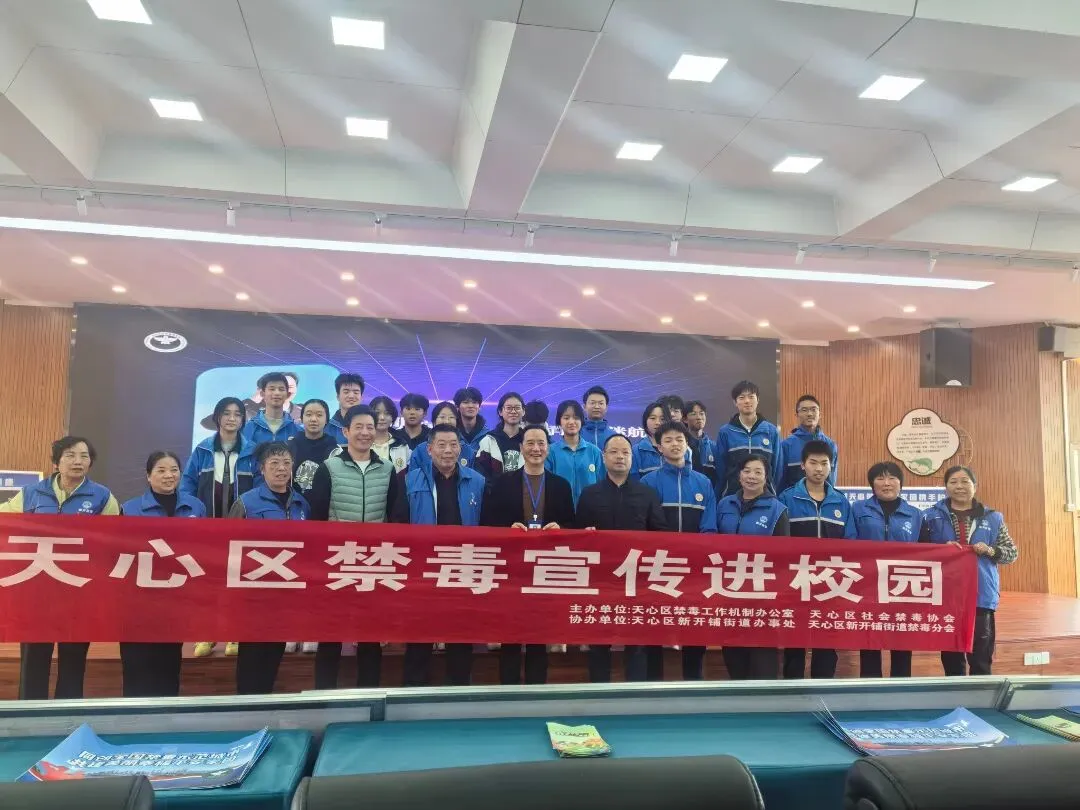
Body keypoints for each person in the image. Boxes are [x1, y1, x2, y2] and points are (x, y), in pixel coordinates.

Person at [1, 436, 120, 700]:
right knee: (33, 658)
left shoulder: (103, 497)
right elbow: (5, 518)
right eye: (70, 455)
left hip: (79, 591)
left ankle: (68, 713)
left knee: (73, 659)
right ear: (56, 462)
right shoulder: (32, 493)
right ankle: (30, 713)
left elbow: (115, 540)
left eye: (84, 456)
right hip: (36, 590)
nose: (78, 461)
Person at [307, 404, 400, 689]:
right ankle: (324, 695)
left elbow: (395, 517)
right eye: (358, 427)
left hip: (374, 562)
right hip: (338, 561)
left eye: (370, 427)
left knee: (370, 636)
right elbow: (317, 517)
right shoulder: (329, 468)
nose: (365, 432)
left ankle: (369, 695)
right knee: (331, 635)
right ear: (346, 431)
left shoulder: (387, 469)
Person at [391, 424, 486, 686]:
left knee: (460, 637)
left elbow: (486, 527)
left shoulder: (477, 481)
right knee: (419, 636)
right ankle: (413, 692)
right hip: (422, 569)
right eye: (441, 445)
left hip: (462, 568)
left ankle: (458, 691)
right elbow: (398, 523)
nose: (448, 450)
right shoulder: (410, 480)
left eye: (453, 445)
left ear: (461, 449)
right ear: (429, 449)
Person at [481, 423, 575, 684]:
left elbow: (571, 522)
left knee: (538, 633)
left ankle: (536, 689)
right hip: (512, 568)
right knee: (510, 633)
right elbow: (487, 522)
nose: (536, 448)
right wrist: (507, 529)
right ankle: (508, 690)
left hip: (545, 569)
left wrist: (561, 528)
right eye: (530, 443)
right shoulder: (503, 483)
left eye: (541, 443)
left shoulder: (560, 485)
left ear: (548, 448)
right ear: (521, 448)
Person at [577, 434, 668, 682]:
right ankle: (598, 692)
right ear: (603, 457)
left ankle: (635, 694)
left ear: (632, 458)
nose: (620, 457)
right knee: (599, 642)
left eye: (625, 452)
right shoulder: (589, 494)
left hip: (636, 580)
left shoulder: (647, 494)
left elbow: (661, 535)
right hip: (600, 580)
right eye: (614, 452)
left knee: (636, 641)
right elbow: (577, 534)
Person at [119, 451, 206, 697]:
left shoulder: (196, 507)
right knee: (137, 664)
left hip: (176, 598)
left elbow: (205, 549)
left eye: (174, 470)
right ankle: (134, 714)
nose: (169, 475)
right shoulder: (130, 509)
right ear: (148, 476)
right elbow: (120, 553)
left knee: (168, 665)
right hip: (139, 600)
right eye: (161, 470)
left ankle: (166, 712)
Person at [229, 442, 310, 694]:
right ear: (262, 469)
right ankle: (246, 707)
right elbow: (228, 546)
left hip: (285, 595)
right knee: (251, 658)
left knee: (274, 654)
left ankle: (265, 703)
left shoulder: (301, 504)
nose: (281, 469)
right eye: (274, 463)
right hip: (253, 595)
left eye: (286, 463)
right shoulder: (246, 503)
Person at [921, 466, 1018, 676]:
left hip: (981, 595)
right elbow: (919, 552)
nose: (959, 486)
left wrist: (990, 550)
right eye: (953, 482)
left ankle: (980, 696)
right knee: (951, 658)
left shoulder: (993, 518)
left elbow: (1011, 553)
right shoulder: (930, 516)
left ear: (975, 486)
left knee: (981, 657)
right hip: (945, 594)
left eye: (965, 481)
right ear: (945, 487)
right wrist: (941, 549)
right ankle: (955, 694)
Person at [640, 421, 718, 680]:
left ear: (687, 445)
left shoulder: (703, 482)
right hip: (660, 567)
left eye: (679, 440)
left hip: (695, 568)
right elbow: (648, 525)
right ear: (659, 447)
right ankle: (652, 684)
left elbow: (709, 526)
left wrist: (697, 554)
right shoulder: (649, 481)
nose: (675, 444)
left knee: (694, 626)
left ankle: (694, 684)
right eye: (669, 440)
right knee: (655, 626)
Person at [183, 396, 255, 659]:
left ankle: (235, 634)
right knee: (208, 583)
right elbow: (187, 485)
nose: (232, 418)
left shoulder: (252, 451)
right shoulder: (202, 450)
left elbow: (259, 489)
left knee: (238, 582)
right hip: (208, 529)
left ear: (243, 420)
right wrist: (192, 516)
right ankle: (207, 633)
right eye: (227, 413)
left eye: (237, 414)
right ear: (217, 417)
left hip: (241, 529)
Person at [778, 440, 854, 679]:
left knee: (826, 641)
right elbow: (779, 542)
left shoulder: (841, 501)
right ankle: (792, 689)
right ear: (803, 465)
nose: (819, 469)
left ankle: (823, 687)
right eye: (813, 463)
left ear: (831, 466)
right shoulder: (787, 498)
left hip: (829, 583)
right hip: (797, 581)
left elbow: (851, 542)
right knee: (795, 641)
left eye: (824, 463)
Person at [717, 453, 789, 680]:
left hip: (762, 592)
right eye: (747, 471)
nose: (751, 476)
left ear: (766, 477)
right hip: (729, 588)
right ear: (739, 475)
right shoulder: (724, 504)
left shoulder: (777, 509)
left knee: (762, 656)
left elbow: (783, 556)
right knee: (733, 650)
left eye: (758, 472)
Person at [850, 462, 923, 678]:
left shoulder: (916, 515)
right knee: (870, 641)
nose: (887, 483)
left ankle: (900, 688)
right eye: (880, 478)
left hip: (902, 586)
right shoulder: (858, 509)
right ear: (872, 484)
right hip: (868, 584)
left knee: (902, 641)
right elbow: (849, 543)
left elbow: (926, 551)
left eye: (892, 478)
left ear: (901, 483)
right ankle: (869, 688)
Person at [715, 381, 782, 498]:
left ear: (758, 400)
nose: (747, 401)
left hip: (765, 495)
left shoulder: (771, 431)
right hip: (733, 496)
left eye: (751, 397)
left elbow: (776, 468)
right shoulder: (725, 432)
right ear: (735, 402)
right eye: (742, 398)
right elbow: (721, 469)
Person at [546, 400, 603, 505]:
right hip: (559, 510)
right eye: (566, 418)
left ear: (582, 420)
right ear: (559, 421)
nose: (571, 422)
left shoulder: (594, 452)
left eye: (576, 418)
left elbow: (602, 485)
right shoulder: (550, 452)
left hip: (589, 510)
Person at [778, 394, 838, 493]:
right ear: (797, 415)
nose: (809, 414)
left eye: (814, 409)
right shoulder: (786, 445)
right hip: (793, 499)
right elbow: (781, 480)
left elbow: (831, 480)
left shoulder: (831, 445)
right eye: (804, 410)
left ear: (820, 414)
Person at [408, 401, 478, 474]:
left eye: (451, 417)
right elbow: (413, 478)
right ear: (434, 421)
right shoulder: (420, 450)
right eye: (442, 417)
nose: (447, 421)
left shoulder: (467, 451)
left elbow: (473, 478)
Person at [289, 399, 339, 494]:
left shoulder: (335, 450)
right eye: (308, 414)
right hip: (294, 501)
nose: (313, 419)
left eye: (319, 415)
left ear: (326, 420)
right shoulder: (291, 446)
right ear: (302, 418)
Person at [475, 392, 526, 482]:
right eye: (509, 408)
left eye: (517, 408)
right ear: (500, 412)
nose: (513, 411)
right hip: (494, 490)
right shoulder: (488, 440)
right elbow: (481, 474)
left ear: (523, 411)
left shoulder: (528, 440)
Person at [241, 372, 302, 445]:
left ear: (287, 394)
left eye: (281, 389)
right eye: (272, 389)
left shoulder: (298, 431)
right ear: (262, 393)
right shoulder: (248, 428)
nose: (276, 393)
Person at [630, 401, 670, 480]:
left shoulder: (677, 448)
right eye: (652, 418)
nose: (658, 423)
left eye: (662, 419)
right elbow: (634, 482)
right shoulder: (636, 450)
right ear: (645, 421)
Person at [369, 395, 409, 472]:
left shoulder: (402, 445)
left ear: (393, 417)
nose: (382, 417)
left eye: (387, 413)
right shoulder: (362, 443)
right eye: (377, 413)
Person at [684, 400, 718, 485]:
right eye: (693, 414)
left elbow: (719, 476)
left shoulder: (713, 446)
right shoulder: (682, 445)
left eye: (701, 413)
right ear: (685, 419)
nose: (699, 417)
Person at [327, 373, 365, 445]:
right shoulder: (326, 428)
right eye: (346, 392)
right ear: (338, 397)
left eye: (356, 392)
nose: (351, 396)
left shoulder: (370, 426)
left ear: (361, 397)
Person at [581, 385, 619, 450]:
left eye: (601, 403)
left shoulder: (614, 436)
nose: (597, 407)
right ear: (584, 407)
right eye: (592, 403)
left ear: (606, 408)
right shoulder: (576, 434)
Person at [454, 387, 486, 453]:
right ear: (457, 407)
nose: (471, 406)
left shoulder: (487, 435)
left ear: (479, 406)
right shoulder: (451, 432)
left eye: (474, 402)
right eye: (466, 402)